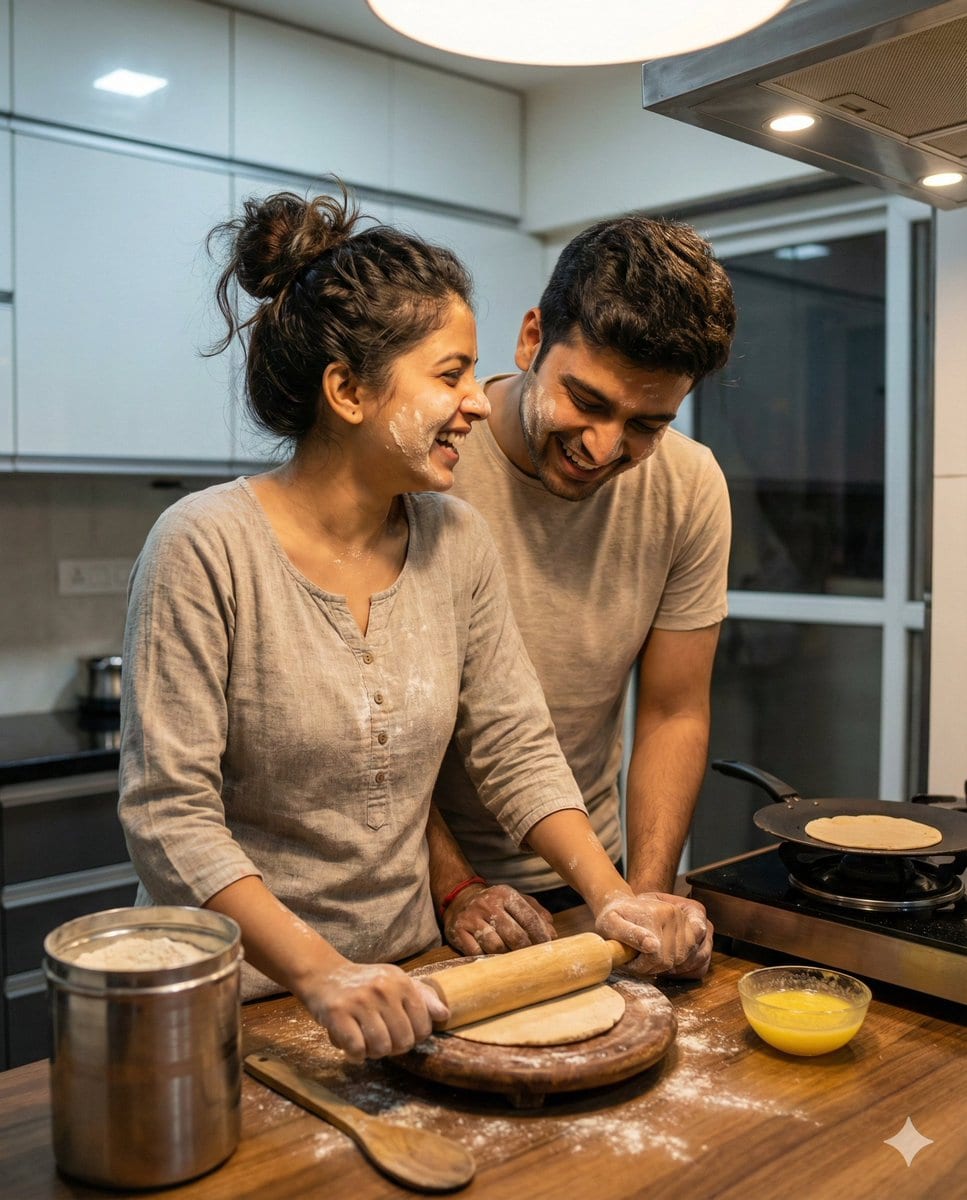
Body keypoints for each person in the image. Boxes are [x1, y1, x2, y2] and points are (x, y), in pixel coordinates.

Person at [118, 189, 710, 1065]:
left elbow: (514, 745)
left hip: (410, 986)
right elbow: (170, 816)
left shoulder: (453, 541)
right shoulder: (205, 546)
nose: (475, 404)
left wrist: (612, 893)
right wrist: (322, 974)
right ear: (348, 391)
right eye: (450, 374)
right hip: (234, 1004)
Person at [428, 213, 736, 958]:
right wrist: (454, 887)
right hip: (418, 887)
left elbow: (671, 710)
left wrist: (643, 895)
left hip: (587, 882)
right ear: (532, 337)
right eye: (589, 402)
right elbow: (367, 748)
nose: (605, 448)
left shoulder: (689, 486)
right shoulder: (427, 469)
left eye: (646, 425)